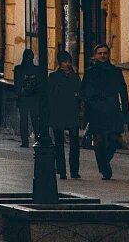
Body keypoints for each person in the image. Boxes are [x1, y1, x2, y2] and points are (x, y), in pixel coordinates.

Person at [81, 43, 129, 180]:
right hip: (95, 109)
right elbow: (83, 91)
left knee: (114, 139)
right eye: (100, 53)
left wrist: (125, 112)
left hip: (112, 108)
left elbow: (123, 92)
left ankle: (105, 161)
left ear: (108, 55)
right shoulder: (90, 72)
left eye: (105, 53)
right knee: (98, 139)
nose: (102, 56)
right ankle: (103, 167)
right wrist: (89, 101)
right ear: (95, 55)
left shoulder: (115, 71)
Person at [47, 50, 82, 180]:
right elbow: (49, 95)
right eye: (65, 62)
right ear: (60, 63)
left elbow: (80, 91)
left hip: (72, 111)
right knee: (59, 143)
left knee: (74, 143)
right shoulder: (54, 77)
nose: (67, 64)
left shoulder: (74, 76)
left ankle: (74, 170)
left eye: (69, 62)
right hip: (58, 112)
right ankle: (61, 170)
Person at [13, 49, 41, 147]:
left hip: (23, 98)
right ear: (33, 57)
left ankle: (24, 140)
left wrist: (18, 95)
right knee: (35, 119)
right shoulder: (37, 69)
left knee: (23, 120)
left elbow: (16, 84)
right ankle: (38, 138)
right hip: (34, 97)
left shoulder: (18, 69)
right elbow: (39, 84)